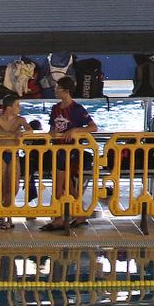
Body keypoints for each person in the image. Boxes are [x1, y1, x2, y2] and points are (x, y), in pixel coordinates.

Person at [42, 76, 94, 232]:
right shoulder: (55, 108)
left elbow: (93, 127)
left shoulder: (77, 109)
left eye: (58, 88)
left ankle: (58, 219)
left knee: (59, 187)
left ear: (66, 91)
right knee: (68, 186)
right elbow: (53, 127)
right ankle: (80, 214)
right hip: (58, 151)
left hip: (70, 152)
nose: (55, 90)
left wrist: (75, 130)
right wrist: (52, 132)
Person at [0, 96, 27, 230]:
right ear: (9, 107)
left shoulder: (20, 120)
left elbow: (29, 130)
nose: (19, 107)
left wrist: (21, 132)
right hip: (1, 154)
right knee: (3, 185)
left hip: (13, 155)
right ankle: (4, 215)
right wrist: (12, 134)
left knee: (14, 186)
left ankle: (6, 213)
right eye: (17, 105)